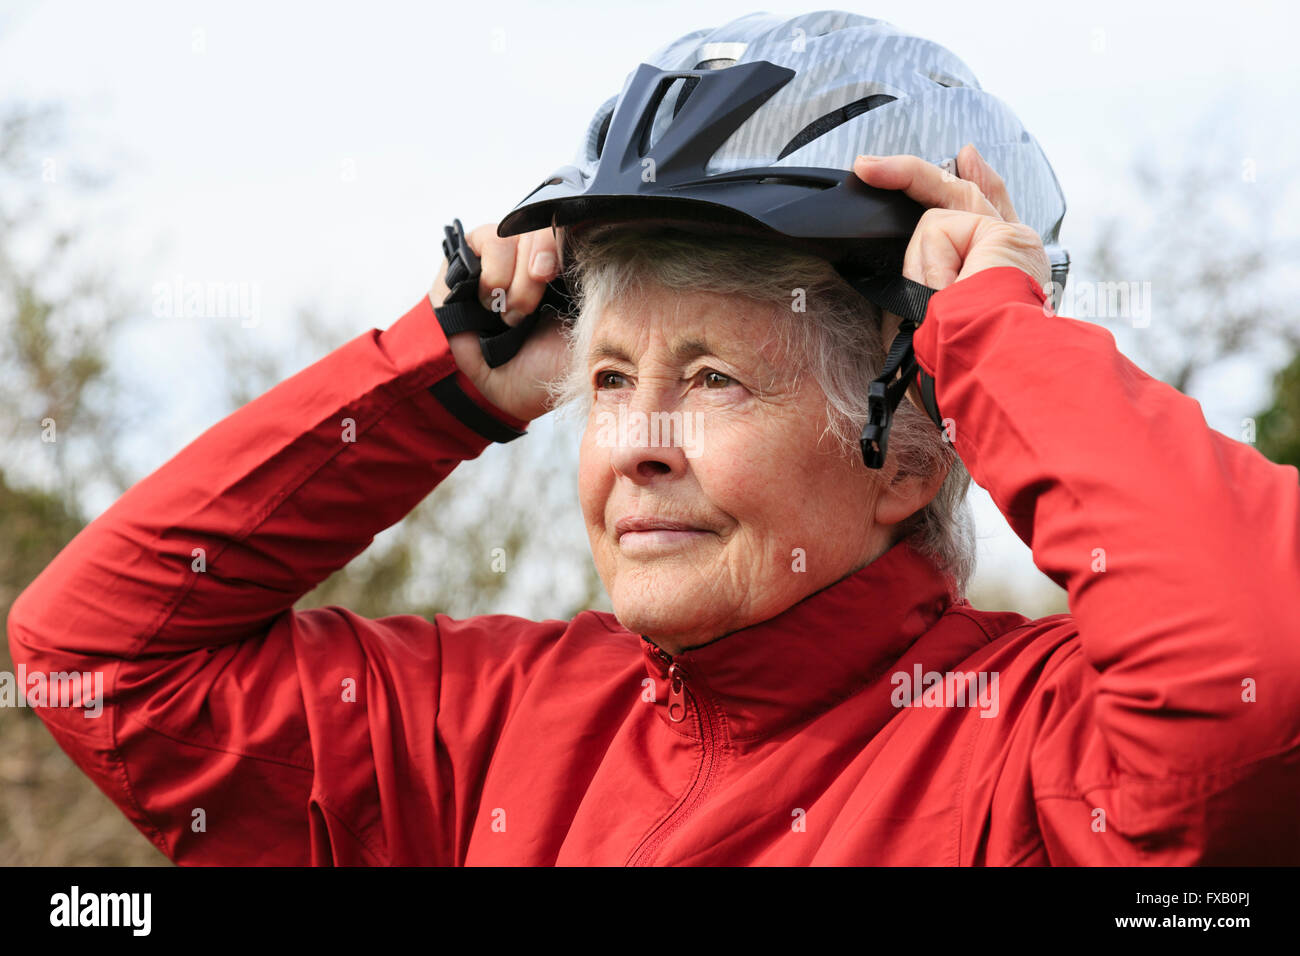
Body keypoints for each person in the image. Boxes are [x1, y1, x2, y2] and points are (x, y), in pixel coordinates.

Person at [9, 11, 1299, 865]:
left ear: (908, 459)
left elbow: (1256, 681)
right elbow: (95, 662)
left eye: (716, 380)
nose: (638, 442)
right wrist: (431, 386)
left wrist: (994, 338)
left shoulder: (1032, 751)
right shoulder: (485, 728)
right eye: (613, 379)